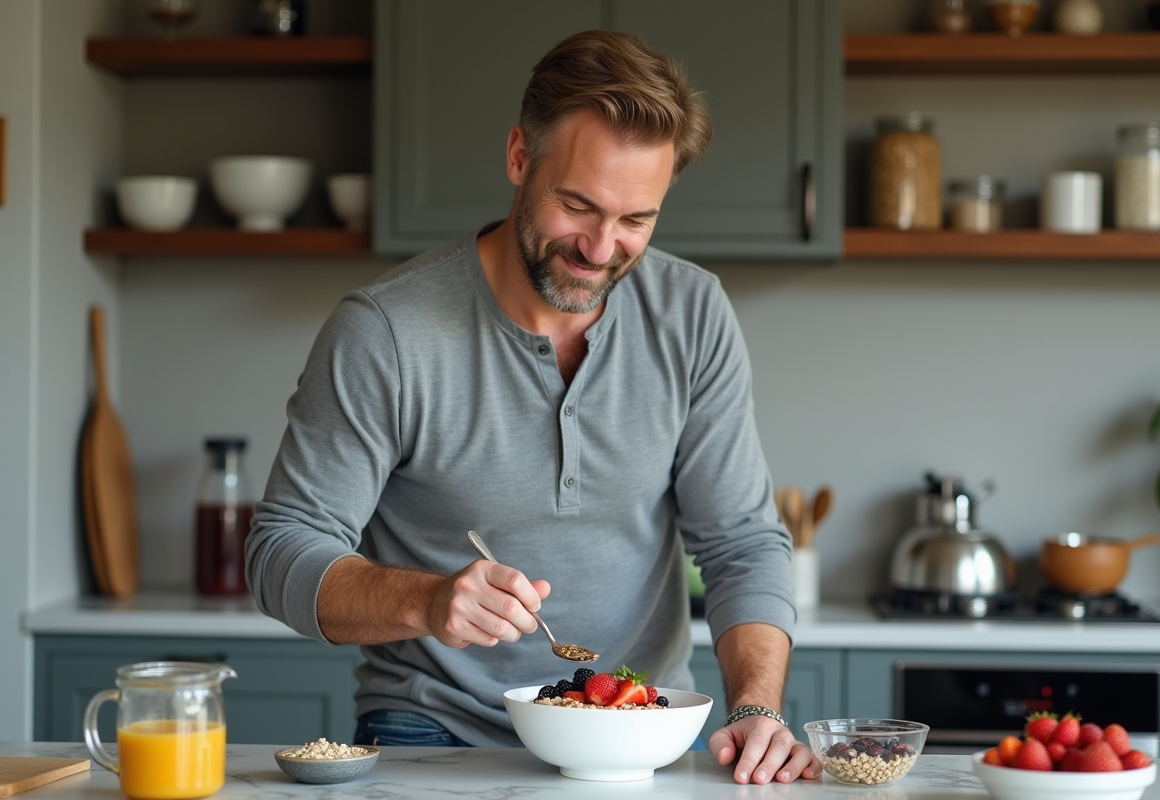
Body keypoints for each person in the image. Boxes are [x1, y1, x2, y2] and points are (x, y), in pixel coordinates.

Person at [246, 29, 819, 785]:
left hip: (635, 726)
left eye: (637, 220)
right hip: (434, 727)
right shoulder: (385, 332)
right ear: (520, 157)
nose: (601, 249)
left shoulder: (693, 314)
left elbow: (743, 544)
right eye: (577, 205)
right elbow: (281, 550)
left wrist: (756, 707)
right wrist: (427, 602)